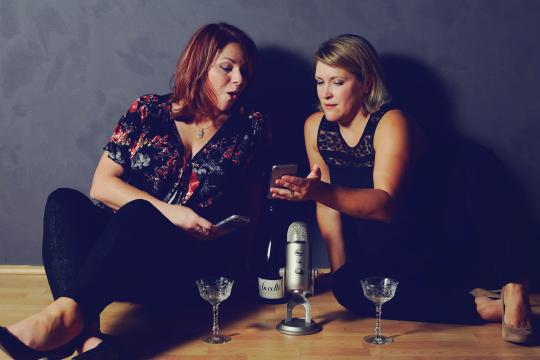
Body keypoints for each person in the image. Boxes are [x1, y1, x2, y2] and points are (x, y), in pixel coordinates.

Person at [0, 23, 268, 359]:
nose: (239, 79)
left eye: (245, 71)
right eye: (226, 68)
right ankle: (89, 338)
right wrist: (174, 213)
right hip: (118, 259)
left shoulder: (250, 128)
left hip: (185, 270)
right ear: (198, 66)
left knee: (141, 212)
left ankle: (63, 321)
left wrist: (234, 253)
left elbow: (252, 212)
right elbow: (101, 185)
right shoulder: (148, 110)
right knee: (63, 201)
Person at [270, 34, 534, 343]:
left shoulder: (391, 122)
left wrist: (316, 191)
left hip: (440, 235)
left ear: (366, 83)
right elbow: (328, 208)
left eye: (337, 82)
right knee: (348, 289)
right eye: (319, 82)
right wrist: (341, 272)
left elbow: (385, 204)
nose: (326, 93)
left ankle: (514, 289)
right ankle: (483, 307)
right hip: (393, 251)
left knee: (474, 159)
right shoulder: (315, 126)